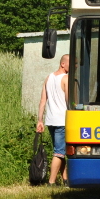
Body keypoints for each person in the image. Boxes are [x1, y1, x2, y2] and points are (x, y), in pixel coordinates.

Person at [37, 53, 70, 185]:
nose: (75, 66)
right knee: (59, 152)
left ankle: (66, 180)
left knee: (59, 150)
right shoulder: (66, 78)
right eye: (72, 64)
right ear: (63, 64)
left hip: (50, 120)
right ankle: (51, 182)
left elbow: (42, 101)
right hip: (62, 120)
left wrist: (40, 120)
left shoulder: (48, 78)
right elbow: (69, 101)